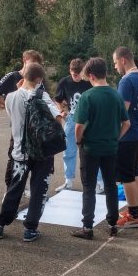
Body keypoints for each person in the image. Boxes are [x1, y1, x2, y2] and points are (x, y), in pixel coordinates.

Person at [0, 63, 62, 242]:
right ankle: (30, 229)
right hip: (42, 153)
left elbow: (12, 118)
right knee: (39, 190)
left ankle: (0, 225)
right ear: (40, 79)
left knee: (15, 188)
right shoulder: (43, 96)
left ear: (23, 77)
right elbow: (58, 118)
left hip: (20, 151)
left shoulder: (11, 97)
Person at [71, 57, 130, 239]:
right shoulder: (115, 95)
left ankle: (87, 227)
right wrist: (116, 137)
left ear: (90, 76)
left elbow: (79, 126)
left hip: (90, 148)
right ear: (105, 73)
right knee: (110, 185)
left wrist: (78, 141)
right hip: (111, 148)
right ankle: (112, 223)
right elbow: (126, 123)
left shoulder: (88, 96)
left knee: (88, 188)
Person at [0, 50, 46, 195]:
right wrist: (8, 105)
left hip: (34, 127)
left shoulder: (38, 80)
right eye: (33, 63)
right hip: (18, 125)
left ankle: (26, 186)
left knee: (32, 156)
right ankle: (10, 189)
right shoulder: (13, 76)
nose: (35, 66)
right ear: (25, 60)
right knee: (14, 156)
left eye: (37, 64)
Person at [112, 46, 138, 229]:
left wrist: (113, 134)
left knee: (126, 176)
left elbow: (122, 112)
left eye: (114, 62)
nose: (114, 67)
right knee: (133, 172)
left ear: (123, 60)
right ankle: (133, 211)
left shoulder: (127, 81)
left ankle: (134, 216)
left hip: (127, 136)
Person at [54, 58, 104, 194]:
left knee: (93, 150)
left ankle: (100, 183)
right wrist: (61, 110)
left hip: (88, 120)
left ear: (83, 72)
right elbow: (57, 99)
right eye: (73, 74)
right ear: (70, 71)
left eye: (78, 74)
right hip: (72, 118)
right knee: (69, 150)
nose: (76, 77)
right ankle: (68, 181)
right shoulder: (64, 82)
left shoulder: (89, 82)